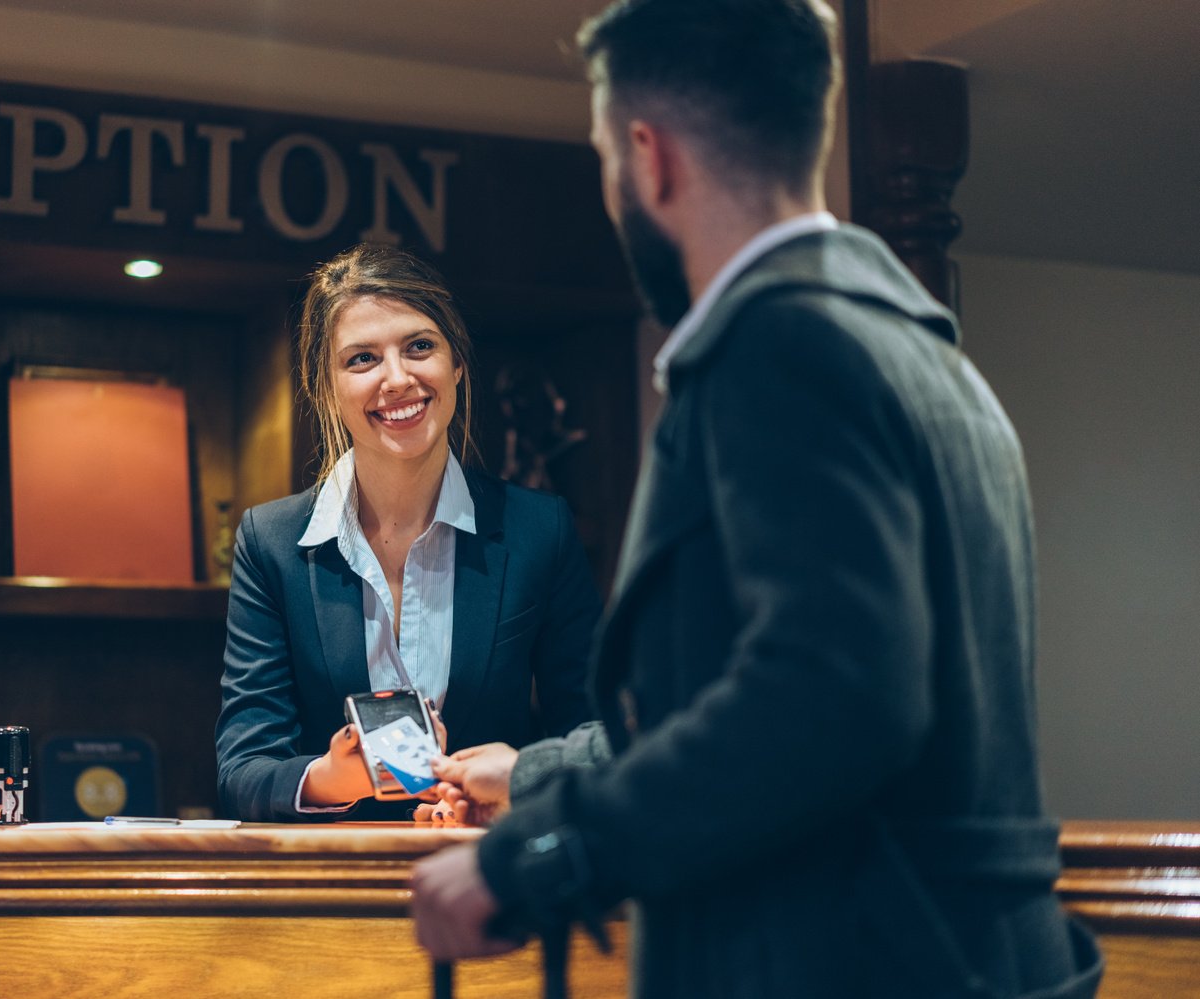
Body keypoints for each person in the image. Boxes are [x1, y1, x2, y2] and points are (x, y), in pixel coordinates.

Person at [410, 2, 1105, 997]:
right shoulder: (928, 356)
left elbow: (830, 697)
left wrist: (540, 856)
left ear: (649, 160)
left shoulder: (780, 348)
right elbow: (733, 690)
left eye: (606, 159)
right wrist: (533, 778)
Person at [214, 243, 600, 822]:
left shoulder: (540, 530)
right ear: (325, 387)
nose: (398, 379)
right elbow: (243, 768)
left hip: (490, 879)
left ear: (456, 364)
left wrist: (519, 783)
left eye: (420, 347)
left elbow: (595, 730)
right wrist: (328, 776)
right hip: (329, 894)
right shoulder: (269, 542)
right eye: (362, 359)